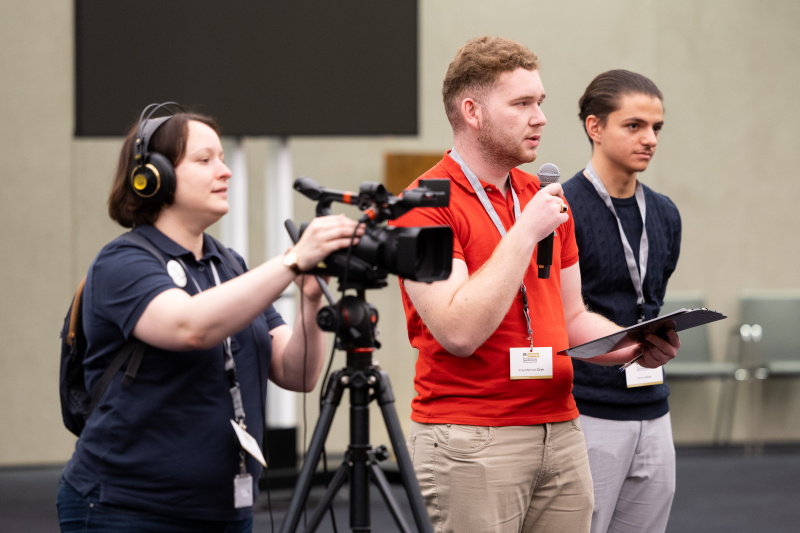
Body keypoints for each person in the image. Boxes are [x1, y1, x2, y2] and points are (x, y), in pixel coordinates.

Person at [390, 36, 680, 533]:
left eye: (540, 102)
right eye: (522, 103)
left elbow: (571, 318)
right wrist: (525, 232)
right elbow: (459, 331)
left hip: (562, 428)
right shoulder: (422, 205)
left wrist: (631, 345)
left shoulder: (539, 196)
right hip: (473, 438)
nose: (540, 117)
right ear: (472, 112)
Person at [56, 103, 362, 532]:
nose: (226, 172)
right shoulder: (121, 262)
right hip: (126, 510)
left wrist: (310, 302)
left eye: (222, 158)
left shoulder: (230, 264)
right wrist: (292, 261)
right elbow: (190, 326)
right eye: (205, 160)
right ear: (153, 177)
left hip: (223, 511)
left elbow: (297, 374)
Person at [562, 70, 681, 533]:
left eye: (656, 128)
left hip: (654, 405)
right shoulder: (561, 207)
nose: (649, 139)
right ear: (595, 127)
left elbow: (651, 299)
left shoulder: (666, 212)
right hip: (586, 410)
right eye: (634, 126)